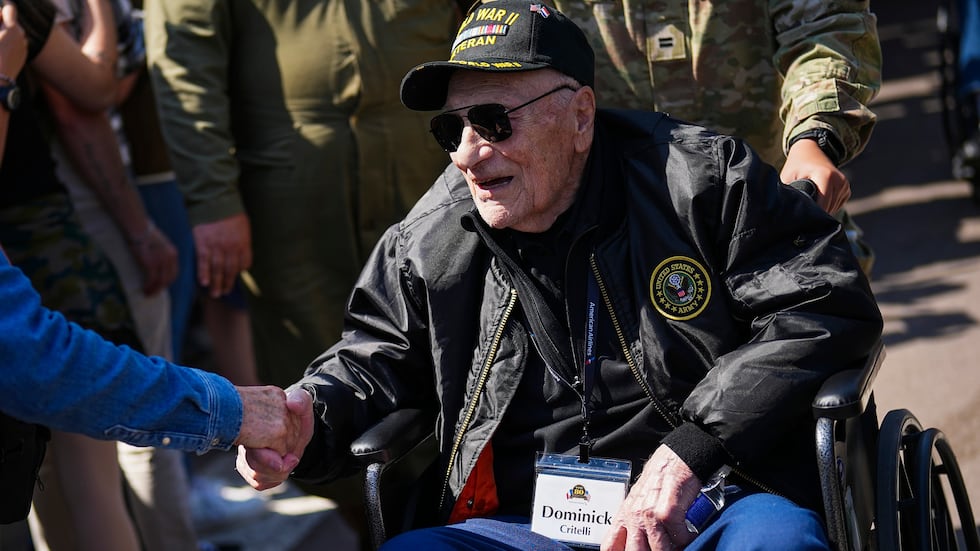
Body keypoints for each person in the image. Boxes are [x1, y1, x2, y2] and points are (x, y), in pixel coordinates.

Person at [236, 1, 883, 550]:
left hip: (715, 492)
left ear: (579, 115)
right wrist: (308, 417)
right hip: (525, 518)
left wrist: (695, 446)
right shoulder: (436, 232)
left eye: (494, 121)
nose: (466, 151)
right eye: (450, 127)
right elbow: (376, 358)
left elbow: (822, 301)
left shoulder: (702, 180)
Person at [144, 0, 459, 391]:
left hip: (435, 168)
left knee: (451, 342)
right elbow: (185, 62)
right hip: (289, 196)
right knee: (313, 372)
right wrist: (213, 200)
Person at [550, 0, 882, 275]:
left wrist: (815, 136)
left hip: (774, 225)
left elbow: (828, 26)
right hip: (602, 246)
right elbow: (510, 49)